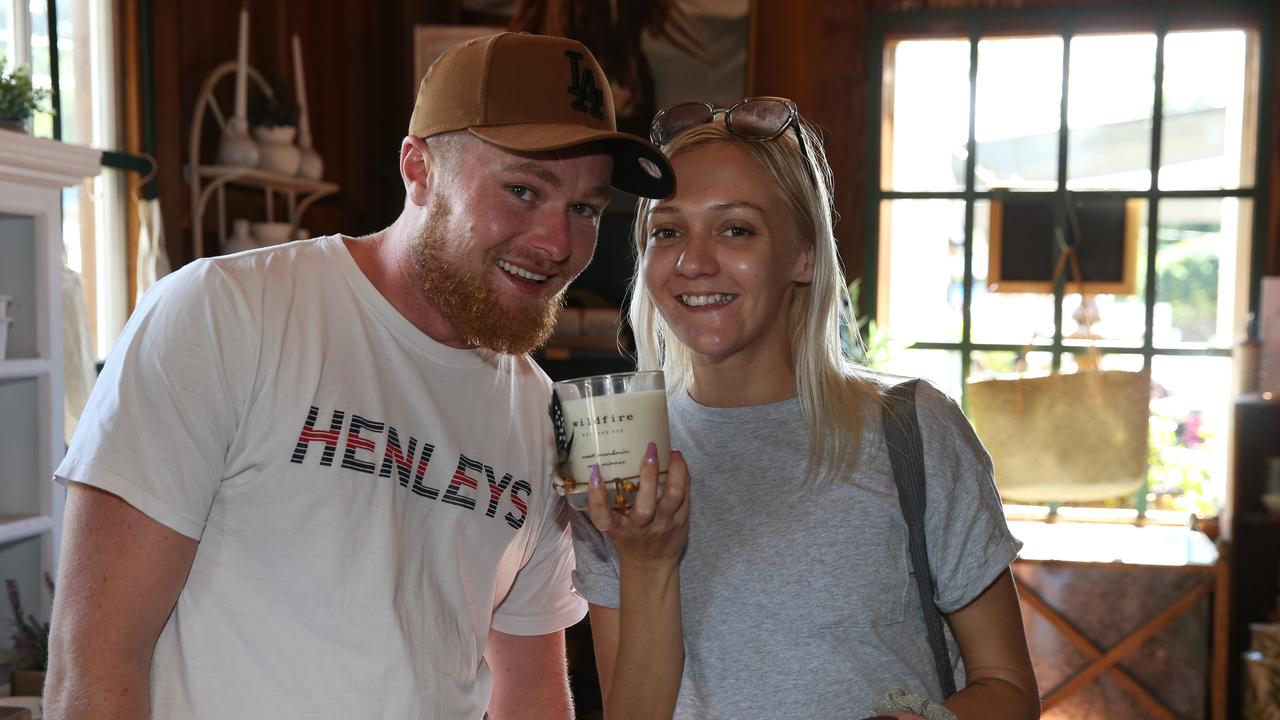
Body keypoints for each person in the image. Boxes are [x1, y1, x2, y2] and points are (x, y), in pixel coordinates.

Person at [43, 32, 676, 720]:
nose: (558, 244)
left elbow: (531, 694)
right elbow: (94, 664)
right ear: (420, 170)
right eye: (523, 190)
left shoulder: (539, 412)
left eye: (584, 209)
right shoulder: (225, 315)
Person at [571, 97, 1040, 719]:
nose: (692, 261)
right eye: (667, 230)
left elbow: (1009, 691)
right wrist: (648, 560)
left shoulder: (911, 428)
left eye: (736, 228)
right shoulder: (617, 445)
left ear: (806, 256)